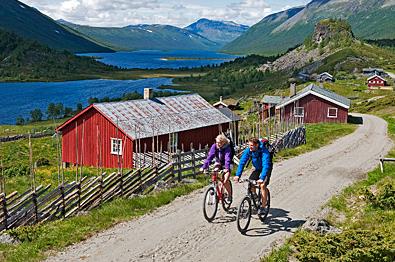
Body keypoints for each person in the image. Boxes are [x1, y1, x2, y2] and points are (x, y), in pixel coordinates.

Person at [233, 137, 271, 214]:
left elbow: (265, 165)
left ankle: (263, 207)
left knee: (262, 185)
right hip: (257, 168)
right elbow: (242, 162)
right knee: (251, 183)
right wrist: (238, 175)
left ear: (257, 145)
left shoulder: (264, 151)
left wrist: (262, 178)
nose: (249, 147)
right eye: (249, 145)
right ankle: (255, 197)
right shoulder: (249, 150)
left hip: (266, 169)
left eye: (251, 145)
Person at [201, 134, 233, 200]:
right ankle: (214, 187)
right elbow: (209, 157)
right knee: (214, 172)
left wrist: (226, 168)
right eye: (217, 142)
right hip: (219, 162)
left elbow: (227, 158)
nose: (218, 144)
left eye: (220, 143)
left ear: (223, 142)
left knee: (225, 179)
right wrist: (204, 167)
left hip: (227, 163)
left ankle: (230, 195)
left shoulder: (227, 148)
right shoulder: (214, 146)